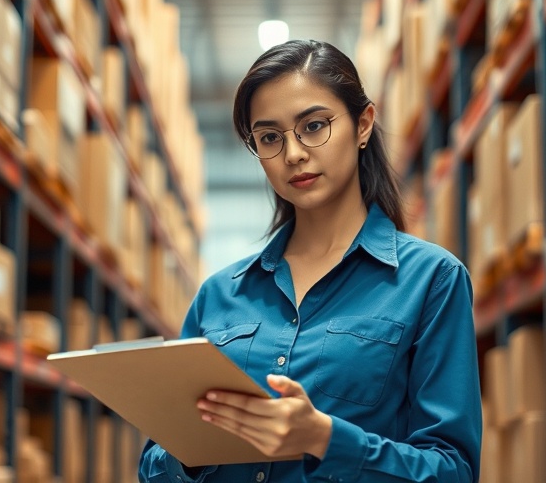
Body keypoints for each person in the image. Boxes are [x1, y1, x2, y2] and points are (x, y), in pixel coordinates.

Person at [138, 39, 481, 483]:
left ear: (363, 124)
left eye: (314, 126)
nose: (294, 153)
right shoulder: (219, 295)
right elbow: (152, 464)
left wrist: (323, 439)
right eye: (269, 138)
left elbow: (452, 470)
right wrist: (191, 452)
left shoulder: (432, 280)